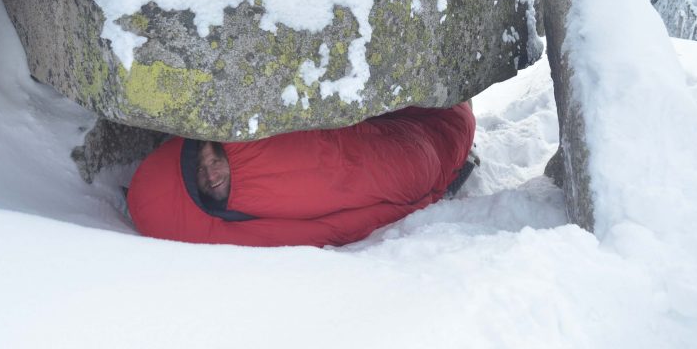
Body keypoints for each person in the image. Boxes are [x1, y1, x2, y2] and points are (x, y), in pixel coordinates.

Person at [127, 102, 476, 247]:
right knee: (418, 160)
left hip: (417, 144)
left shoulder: (255, 149)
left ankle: (456, 114)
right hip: (423, 155)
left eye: (213, 158)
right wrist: (421, 201)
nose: (211, 172)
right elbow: (332, 228)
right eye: (202, 174)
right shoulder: (245, 218)